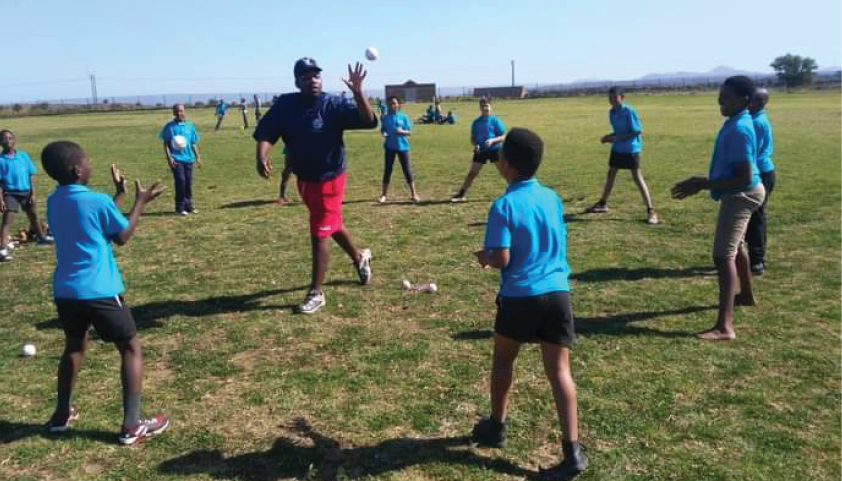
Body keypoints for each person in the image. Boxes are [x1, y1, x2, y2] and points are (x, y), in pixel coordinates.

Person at [473, 128, 587, 478]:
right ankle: (572, 453)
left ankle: (497, 426)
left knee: (504, 360)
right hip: (558, 294)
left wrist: (485, 257)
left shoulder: (503, 205)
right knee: (560, 372)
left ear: (505, 164)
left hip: (521, 297)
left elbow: (503, 258)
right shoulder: (552, 197)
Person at [41, 140, 169, 445]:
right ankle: (132, 425)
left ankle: (61, 415)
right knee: (130, 347)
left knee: (74, 347)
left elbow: (93, 222)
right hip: (99, 290)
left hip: (66, 291)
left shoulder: (54, 200)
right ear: (76, 169)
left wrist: (120, 196)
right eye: (87, 161)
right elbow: (121, 235)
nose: (90, 165)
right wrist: (139, 202)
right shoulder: (97, 201)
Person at [253, 58, 377, 314]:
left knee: (319, 232)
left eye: (316, 75)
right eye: (307, 77)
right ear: (297, 81)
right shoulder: (286, 104)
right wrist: (261, 155)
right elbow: (267, 131)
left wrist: (358, 93)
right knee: (331, 223)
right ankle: (359, 257)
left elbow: (368, 120)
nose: (313, 80)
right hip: (305, 179)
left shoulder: (333, 103)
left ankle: (316, 293)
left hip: (330, 177)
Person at [671, 76, 766, 341]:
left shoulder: (740, 129)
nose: (720, 101)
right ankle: (746, 295)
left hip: (741, 195)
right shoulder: (737, 122)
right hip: (743, 191)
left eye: (726, 97)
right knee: (735, 248)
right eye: (719, 96)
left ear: (744, 100)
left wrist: (703, 184)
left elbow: (744, 176)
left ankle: (725, 327)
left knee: (722, 256)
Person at [586, 87, 659, 225]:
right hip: (617, 149)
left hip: (631, 149)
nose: (612, 100)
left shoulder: (628, 111)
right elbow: (618, 132)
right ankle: (602, 204)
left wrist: (617, 137)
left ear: (622, 97)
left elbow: (637, 131)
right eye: (610, 97)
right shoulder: (611, 112)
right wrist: (609, 137)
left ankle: (651, 210)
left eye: (614, 97)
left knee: (637, 178)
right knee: (611, 174)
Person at [0, 129, 53, 262]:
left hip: (27, 192)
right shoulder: (1, 160)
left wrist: (33, 193)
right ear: (0, 143)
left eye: (10, 138)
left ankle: (42, 237)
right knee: (7, 221)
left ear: (15, 140)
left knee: (33, 216)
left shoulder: (23, 156)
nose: (7, 141)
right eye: (4, 139)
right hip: (10, 193)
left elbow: (31, 175)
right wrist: (1, 200)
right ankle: (3, 248)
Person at [451, 97, 506, 202]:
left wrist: (493, 140)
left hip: (495, 150)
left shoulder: (495, 120)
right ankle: (461, 194)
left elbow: (503, 136)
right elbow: (472, 138)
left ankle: (516, 193)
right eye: (482, 106)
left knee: (504, 172)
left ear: (491, 107)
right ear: (480, 108)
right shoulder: (476, 122)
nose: (485, 108)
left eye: (487, 106)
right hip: (481, 151)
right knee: (472, 173)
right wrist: (475, 145)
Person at [745, 88, 775, 275]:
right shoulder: (757, 118)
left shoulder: (755, 122)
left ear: (761, 103)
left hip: (761, 172)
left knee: (755, 217)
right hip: (764, 170)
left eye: (753, 99)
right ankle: (757, 257)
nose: (748, 101)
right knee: (757, 215)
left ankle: (756, 261)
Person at [159, 104, 202, 215]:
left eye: (181, 111)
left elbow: (193, 143)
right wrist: (169, 158)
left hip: (189, 159)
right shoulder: (169, 127)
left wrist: (198, 157)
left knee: (188, 183)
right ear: (173, 113)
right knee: (181, 181)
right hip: (176, 159)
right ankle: (179, 207)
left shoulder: (190, 126)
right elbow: (166, 144)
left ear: (184, 111)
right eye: (177, 111)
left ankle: (189, 206)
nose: (179, 113)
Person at [379, 96, 420, 203]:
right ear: (388, 105)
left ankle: (414, 194)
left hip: (403, 147)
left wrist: (402, 132)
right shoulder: (385, 118)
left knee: (407, 171)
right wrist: (384, 133)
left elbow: (409, 132)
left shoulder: (404, 117)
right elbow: (383, 129)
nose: (393, 105)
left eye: (395, 103)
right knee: (387, 170)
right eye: (391, 103)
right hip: (389, 147)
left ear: (398, 105)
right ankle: (383, 195)